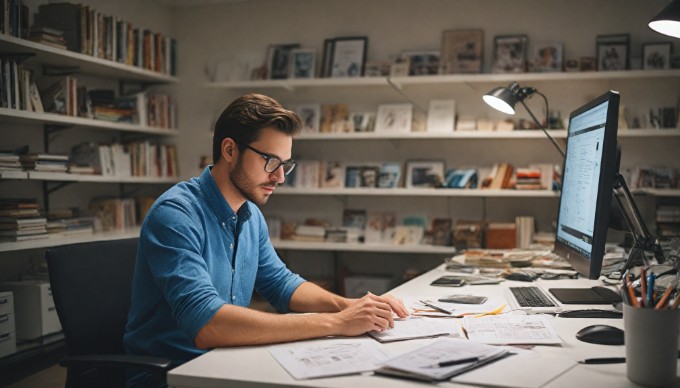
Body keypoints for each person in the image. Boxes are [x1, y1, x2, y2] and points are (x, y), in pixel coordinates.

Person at [124, 93, 408, 385]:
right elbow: (207, 324)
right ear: (230, 149)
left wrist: (350, 306)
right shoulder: (176, 214)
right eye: (271, 162)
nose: (281, 177)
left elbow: (281, 284)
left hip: (226, 365)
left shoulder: (250, 215)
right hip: (172, 376)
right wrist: (336, 322)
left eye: (286, 164)